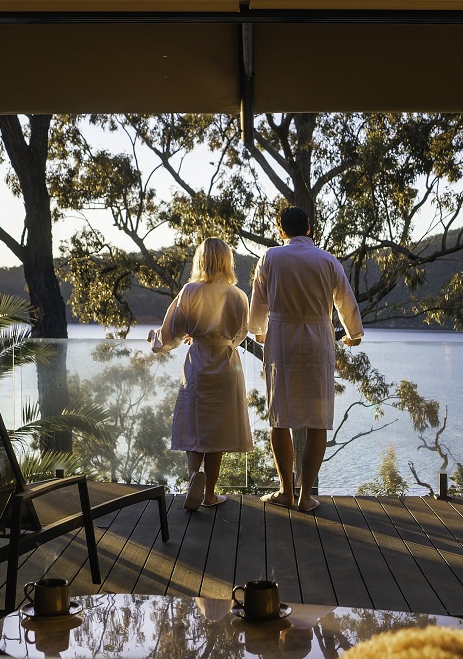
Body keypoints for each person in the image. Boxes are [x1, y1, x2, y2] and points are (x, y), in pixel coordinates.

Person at [248, 206, 363, 513]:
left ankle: (286, 490)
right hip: (317, 339)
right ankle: (305, 496)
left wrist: (258, 330)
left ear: (280, 229)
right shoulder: (327, 260)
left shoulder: (270, 258)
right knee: (317, 419)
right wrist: (354, 332)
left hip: (282, 339)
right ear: (309, 227)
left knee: (279, 416)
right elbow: (345, 300)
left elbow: (258, 300)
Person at [149, 237, 253, 511]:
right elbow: (241, 334)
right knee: (217, 432)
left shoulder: (190, 291)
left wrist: (157, 340)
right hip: (227, 366)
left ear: (200, 260)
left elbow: (171, 331)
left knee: (195, 426)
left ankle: (194, 479)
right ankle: (209, 493)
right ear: (227, 261)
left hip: (197, 365)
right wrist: (222, 340)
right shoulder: (238, 295)